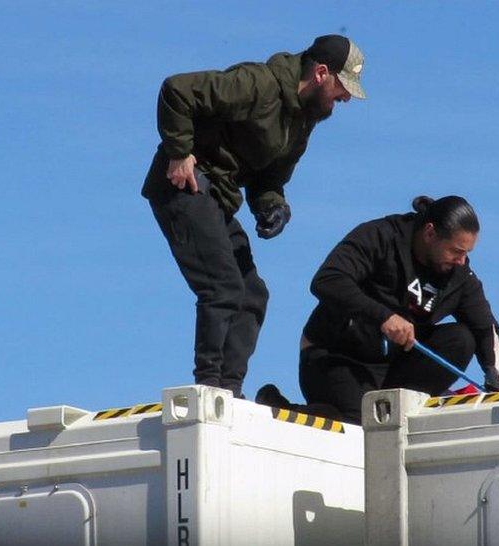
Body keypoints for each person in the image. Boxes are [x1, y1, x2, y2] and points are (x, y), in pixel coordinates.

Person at [142, 35, 366, 398]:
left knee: (252, 294)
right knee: (223, 286)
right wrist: (178, 152)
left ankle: (230, 389)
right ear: (322, 73)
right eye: (343, 89)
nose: (345, 100)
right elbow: (176, 90)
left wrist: (272, 206)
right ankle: (208, 387)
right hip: (184, 186)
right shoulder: (257, 84)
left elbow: (269, 180)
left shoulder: (302, 122)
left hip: (217, 198)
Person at [256, 196, 499, 423]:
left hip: (392, 366)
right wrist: (383, 316)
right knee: (360, 425)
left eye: (466, 253)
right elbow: (327, 280)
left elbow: (487, 328)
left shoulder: (459, 275)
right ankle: (279, 407)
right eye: (456, 251)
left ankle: (400, 407)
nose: (461, 260)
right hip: (336, 356)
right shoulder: (381, 236)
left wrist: (497, 379)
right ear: (430, 233)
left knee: (462, 339)